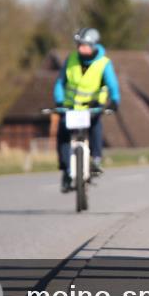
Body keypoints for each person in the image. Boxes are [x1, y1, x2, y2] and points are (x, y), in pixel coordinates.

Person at [53, 27, 121, 192]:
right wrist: (60, 101)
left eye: (84, 45)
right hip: (70, 108)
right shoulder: (71, 60)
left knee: (96, 127)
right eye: (79, 45)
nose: (80, 48)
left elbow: (113, 86)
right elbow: (60, 84)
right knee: (62, 131)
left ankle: (96, 160)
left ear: (94, 46)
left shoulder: (103, 63)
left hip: (93, 107)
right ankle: (65, 169)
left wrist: (114, 102)